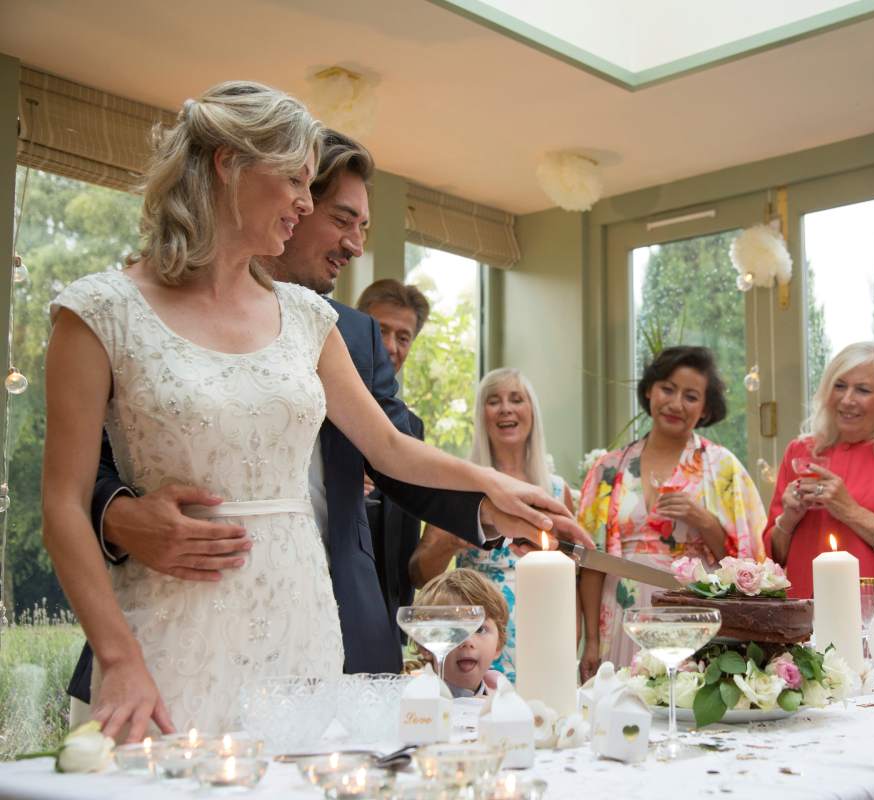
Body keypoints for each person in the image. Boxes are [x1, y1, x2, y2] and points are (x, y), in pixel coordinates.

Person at [42, 81, 576, 741]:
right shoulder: (100, 311)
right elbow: (64, 499)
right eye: (297, 181)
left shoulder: (310, 318)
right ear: (228, 164)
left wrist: (495, 486)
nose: (304, 200)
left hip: (305, 621)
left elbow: (390, 449)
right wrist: (119, 651)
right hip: (173, 623)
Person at [578, 346, 765, 676]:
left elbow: (746, 565)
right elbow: (591, 562)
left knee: (684, 712)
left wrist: (703, 520)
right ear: (650, 390)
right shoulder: (607, 469)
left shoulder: (723, 468)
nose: (676, 404)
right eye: (668, 388)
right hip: (621, 611)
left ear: (705, 409)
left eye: (691, 397)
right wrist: (590, 642)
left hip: (692, 616)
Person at [765, 342, 874, 636]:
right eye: (839, 386)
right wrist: (788, 519)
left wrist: (848, 510)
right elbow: (774, 558)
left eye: (862, 390)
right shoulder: (800, 451)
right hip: (805, 619)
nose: (847, 400)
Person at [409, 368, 574, 682]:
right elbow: (419, 574)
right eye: (493, 401)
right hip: (477, 634)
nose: (506, 409)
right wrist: (451, 541)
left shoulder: (555, 491)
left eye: (516, 399)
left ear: (532, 413)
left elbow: (572, 580)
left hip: (541, 627)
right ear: (480, 415)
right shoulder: (459, 487)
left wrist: (572, 642)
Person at [356, 279, 432, 635]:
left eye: (403, 337)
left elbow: (405, 542)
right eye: (379, 330)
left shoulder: (413, 429)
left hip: (387, 621)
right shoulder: (314, 409)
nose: (390, 346)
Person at [411, 569, 507, 698]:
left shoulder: (501, 693)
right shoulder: (415, 698)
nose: (467, 641)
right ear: (425, 645)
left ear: (498, 645)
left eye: (480, 630)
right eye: (452, 629)